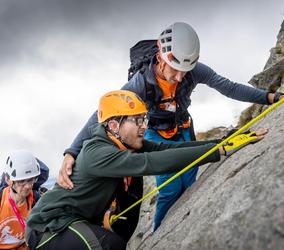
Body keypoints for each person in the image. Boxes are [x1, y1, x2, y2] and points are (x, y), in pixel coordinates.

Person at [58, 22, 283, 231]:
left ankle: (186, 223)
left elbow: (229, 87)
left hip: (184, 127)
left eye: (185, 71)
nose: (179, 76)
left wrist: (270, 97)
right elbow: (101, 115)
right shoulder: (140, 83)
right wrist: (72, 152)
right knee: (169, 189)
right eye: (174, 69)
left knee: (189, 178)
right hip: (156, 133)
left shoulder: (193, 71)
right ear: (160, 57)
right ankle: (160, 233)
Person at [26, 90, 267, 250]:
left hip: (75, 220)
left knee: (122, 231)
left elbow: (165, 148)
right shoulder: (98, 153)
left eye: (144, 119)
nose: (144, 126)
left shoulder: (126, 142)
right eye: (137, 120)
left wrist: (225, 140)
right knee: (110, 245)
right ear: (113, 125)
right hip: (48, 227)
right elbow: (152, 163)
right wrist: (220, 152)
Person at [0, 150, 41, 250]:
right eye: (21, 181)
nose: (28, 186)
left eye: (31, 179)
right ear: (8, 180)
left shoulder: (36, 201)